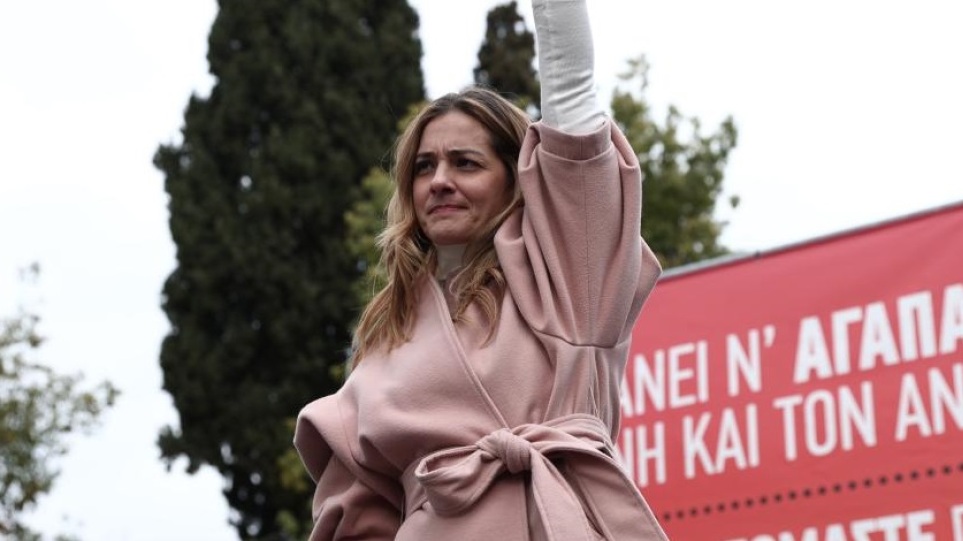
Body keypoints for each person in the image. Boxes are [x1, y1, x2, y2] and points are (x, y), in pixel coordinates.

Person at [294, 0, 668, 539]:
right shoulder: (383, 340)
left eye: (465, 163)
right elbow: (355, 511)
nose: (439, 181)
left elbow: (572, 97)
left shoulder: (567, 278)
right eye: (424, 166)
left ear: (516, 179)